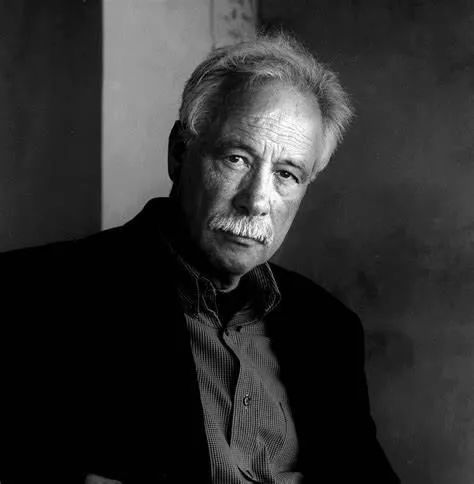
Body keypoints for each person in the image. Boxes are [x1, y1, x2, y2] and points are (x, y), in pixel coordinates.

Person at [0, 33, 400, 483]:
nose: (256, 201)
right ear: (179, 152)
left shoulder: (328, 329)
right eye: (237, 158)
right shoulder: (30, 295)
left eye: (287, 174)